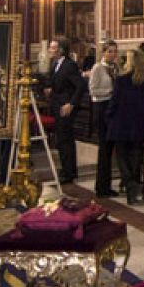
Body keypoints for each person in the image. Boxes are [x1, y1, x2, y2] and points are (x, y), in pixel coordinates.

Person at [105, 47, 144, 203]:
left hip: (121, 123)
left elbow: (114, 102)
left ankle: (130, 184)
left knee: (121, 156)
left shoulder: (121, 80)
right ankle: (132, 185)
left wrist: (108, 115)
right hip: (139, 124)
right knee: (135, 156)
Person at [46, 37, 83, 184]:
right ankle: (66, 168)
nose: (50, 50)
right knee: (61, 139)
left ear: (61, 50)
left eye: (53, 47)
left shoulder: (69, 65)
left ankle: (69, 172)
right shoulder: (54, 64)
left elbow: (80, 86)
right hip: (57, 104)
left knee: (65, 139)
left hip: (65, 107)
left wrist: (71, 104)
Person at [89, 40, 119, 195]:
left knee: (110, 149)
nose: (113, 54)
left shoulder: (114, 68)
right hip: (101, 108)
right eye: (110, 51)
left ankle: (107, 185)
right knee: (104, 149)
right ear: (103, 52)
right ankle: (101, 187)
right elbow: (93, 90)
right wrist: (109, 92)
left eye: (114, 51)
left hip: (111, 109)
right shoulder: (97, 68)